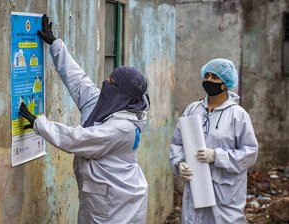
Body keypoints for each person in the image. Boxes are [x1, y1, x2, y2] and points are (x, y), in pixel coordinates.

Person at [19, 14, 150, 223]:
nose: (106, 83)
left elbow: (76, 140)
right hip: (101, 198)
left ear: (122, 93)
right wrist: (55, 45)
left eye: (112, 81)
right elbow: (78, 81)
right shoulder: (106, 104)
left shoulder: (123, 128)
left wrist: (39, 123)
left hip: (117, 204)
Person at [169, 58, 258, 223]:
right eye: (207, 75)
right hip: (196, 189)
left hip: (225, 192)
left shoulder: (238, 115)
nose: (209, 80)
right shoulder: (192, 109)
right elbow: (177, 143)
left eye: (215, 77)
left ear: (226, 83)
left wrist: (217, 156)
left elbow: (250, 152)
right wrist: (179, 163)